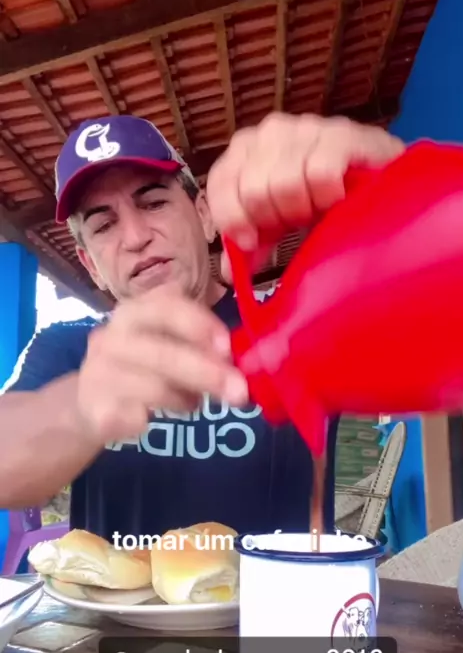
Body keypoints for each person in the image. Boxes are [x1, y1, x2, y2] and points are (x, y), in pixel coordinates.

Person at [0, 112, 404, 543]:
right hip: (115, 591)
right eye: (103, 225)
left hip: (283, 588)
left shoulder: (294, 323)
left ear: (204, 214)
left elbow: (435, 317)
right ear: (90, 265)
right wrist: (81, 407)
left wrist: (393, 183)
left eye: (153, 203)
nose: (135, 237)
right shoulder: (69, 346)